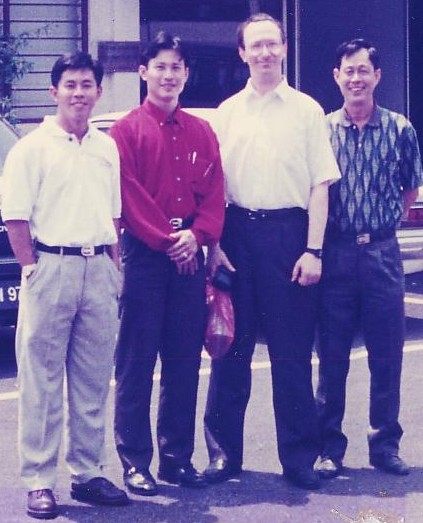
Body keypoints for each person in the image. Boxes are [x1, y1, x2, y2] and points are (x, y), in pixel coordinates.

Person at [202, 13, 340, 490]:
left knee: (292, 352)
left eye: (271, 44)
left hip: (289, 236)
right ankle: (223, 454)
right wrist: (215, 247)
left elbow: (320, 185)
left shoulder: (307, 111)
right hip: (236, 234)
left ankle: (299, 458)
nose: (264, 52)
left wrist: (313, 249)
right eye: (255, 45)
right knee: (230, 351)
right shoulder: (226, 113)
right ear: (242, 53)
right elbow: (214, 188)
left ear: (283, 48)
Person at [1, 52, 129, 520]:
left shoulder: (106, 147)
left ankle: (88, 472)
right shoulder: (31, 148)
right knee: (42, 381)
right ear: (54, 92)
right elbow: (15, 217)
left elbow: (114, 214)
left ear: (98, 92)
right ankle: (39, 480)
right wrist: (31, 268)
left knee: (93, 380)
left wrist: (114, 266)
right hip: (51, 268)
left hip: (98, 269)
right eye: (70, 84)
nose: (79, 93)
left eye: (87, 84)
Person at [110, 31, 225, 496]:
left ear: (186, 74)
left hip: (189, 256)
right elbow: (127, 195)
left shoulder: (202, 131)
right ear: (144, 72)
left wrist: (196, 236)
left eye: (177, 67)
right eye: (160, 66)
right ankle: (135, 462)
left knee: (183, 363)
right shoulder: (125, 131)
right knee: (136, 364)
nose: (168, 75)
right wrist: (166, 240)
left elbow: (215, 192)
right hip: (145, 256)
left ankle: (177, 458)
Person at [315, 39, 423, 480]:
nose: (356, 79)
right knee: (332, 354)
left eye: (364, 71)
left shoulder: (400, 129)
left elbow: (410, 189)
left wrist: (380, 226)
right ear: (336, 76)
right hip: (336, 251)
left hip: (381, 252)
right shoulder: (322, 130)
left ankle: (385, 445)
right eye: (349, 71)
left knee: (386, 353)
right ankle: (328, 447)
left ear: (377, 76)